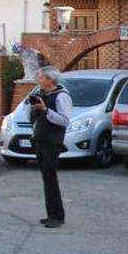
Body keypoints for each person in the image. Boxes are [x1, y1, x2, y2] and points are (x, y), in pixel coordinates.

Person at [28, 66, 73, 226]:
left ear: (50, 80)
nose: (38, 80)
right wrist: (34, 109)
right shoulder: (41, 94)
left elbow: (64, 120)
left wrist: (46, 110)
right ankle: (51, 214)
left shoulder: (61, 96)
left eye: (40, 77)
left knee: (50, 177)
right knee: (46, 177)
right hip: (41, 139)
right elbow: (33, 118)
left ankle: (57, 216)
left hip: (52, 141)